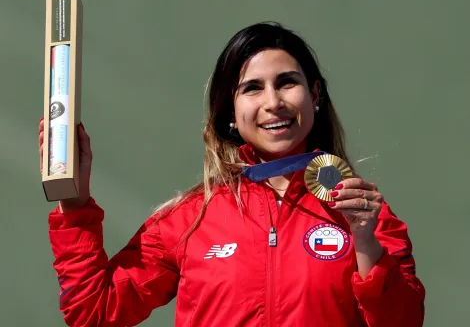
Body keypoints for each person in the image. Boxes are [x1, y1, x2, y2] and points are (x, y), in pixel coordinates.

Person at [38, 22, 425, 327]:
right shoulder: (191, 219)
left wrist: (365, 245)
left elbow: (405, 321)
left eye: (287, 82)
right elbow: (94, 312)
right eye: (252, 89)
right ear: (230, 113)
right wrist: (74, 202)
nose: (273, 103)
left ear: (316, 94)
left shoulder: (364, 213)